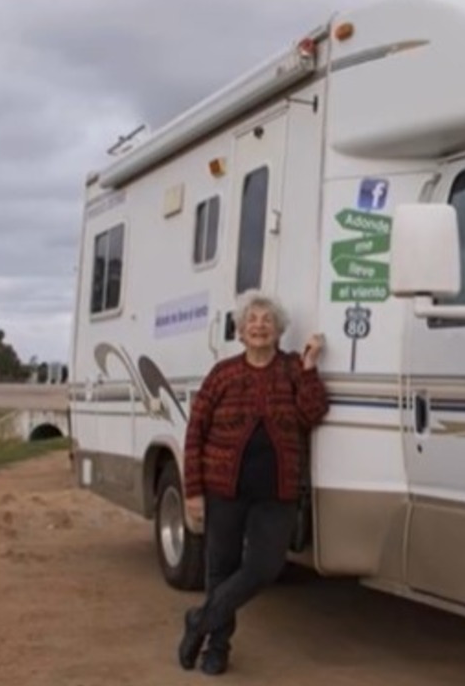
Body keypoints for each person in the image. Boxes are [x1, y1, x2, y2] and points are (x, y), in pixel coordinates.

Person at [177, 289, 330, 675]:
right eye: (252, 320)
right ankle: (217, 649)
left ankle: (200, 619)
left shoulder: (293, 368)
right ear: (240, 331)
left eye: (266, 320)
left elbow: (313, 412)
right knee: (220, 569)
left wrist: (310, 365)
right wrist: (193, 492)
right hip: (224, 489)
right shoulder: (223, 374)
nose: (259, 326)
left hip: (275, 492)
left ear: (278, 330)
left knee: (265, 567)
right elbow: (196, 432)